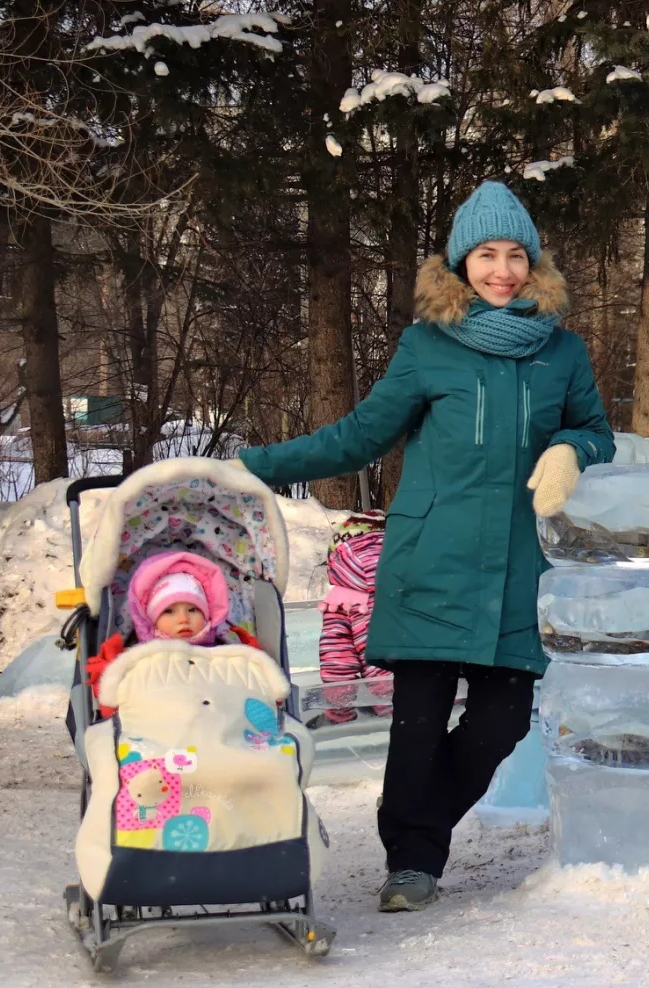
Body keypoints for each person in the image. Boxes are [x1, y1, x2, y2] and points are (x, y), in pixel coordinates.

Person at [236, 181, 616, 912]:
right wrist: (253, 466)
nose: (501, 270)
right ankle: (412, 862)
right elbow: (357, 436)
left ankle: (418, 824)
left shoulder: (562, 353)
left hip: (516, 568)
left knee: (501, 722)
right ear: (460, 263)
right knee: (416, 727)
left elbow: (596, 430)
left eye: (514, 255)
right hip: (432, 559)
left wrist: (571, 448)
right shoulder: (425, 346)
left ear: (533, 264)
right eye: (485, 255)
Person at [83, 550, 262, 707]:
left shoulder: (226, 654)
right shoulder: (137, 657)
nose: (183, 619)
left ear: (208, 614)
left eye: (193, 610)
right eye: (168, 611)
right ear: (150, 619)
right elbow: (114, 697)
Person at [317, 510, 393, 724]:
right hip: (444, 686)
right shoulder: (422, 583)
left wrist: (339, 713)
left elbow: (338, 661)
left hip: (390, 696)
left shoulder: (342, 600)